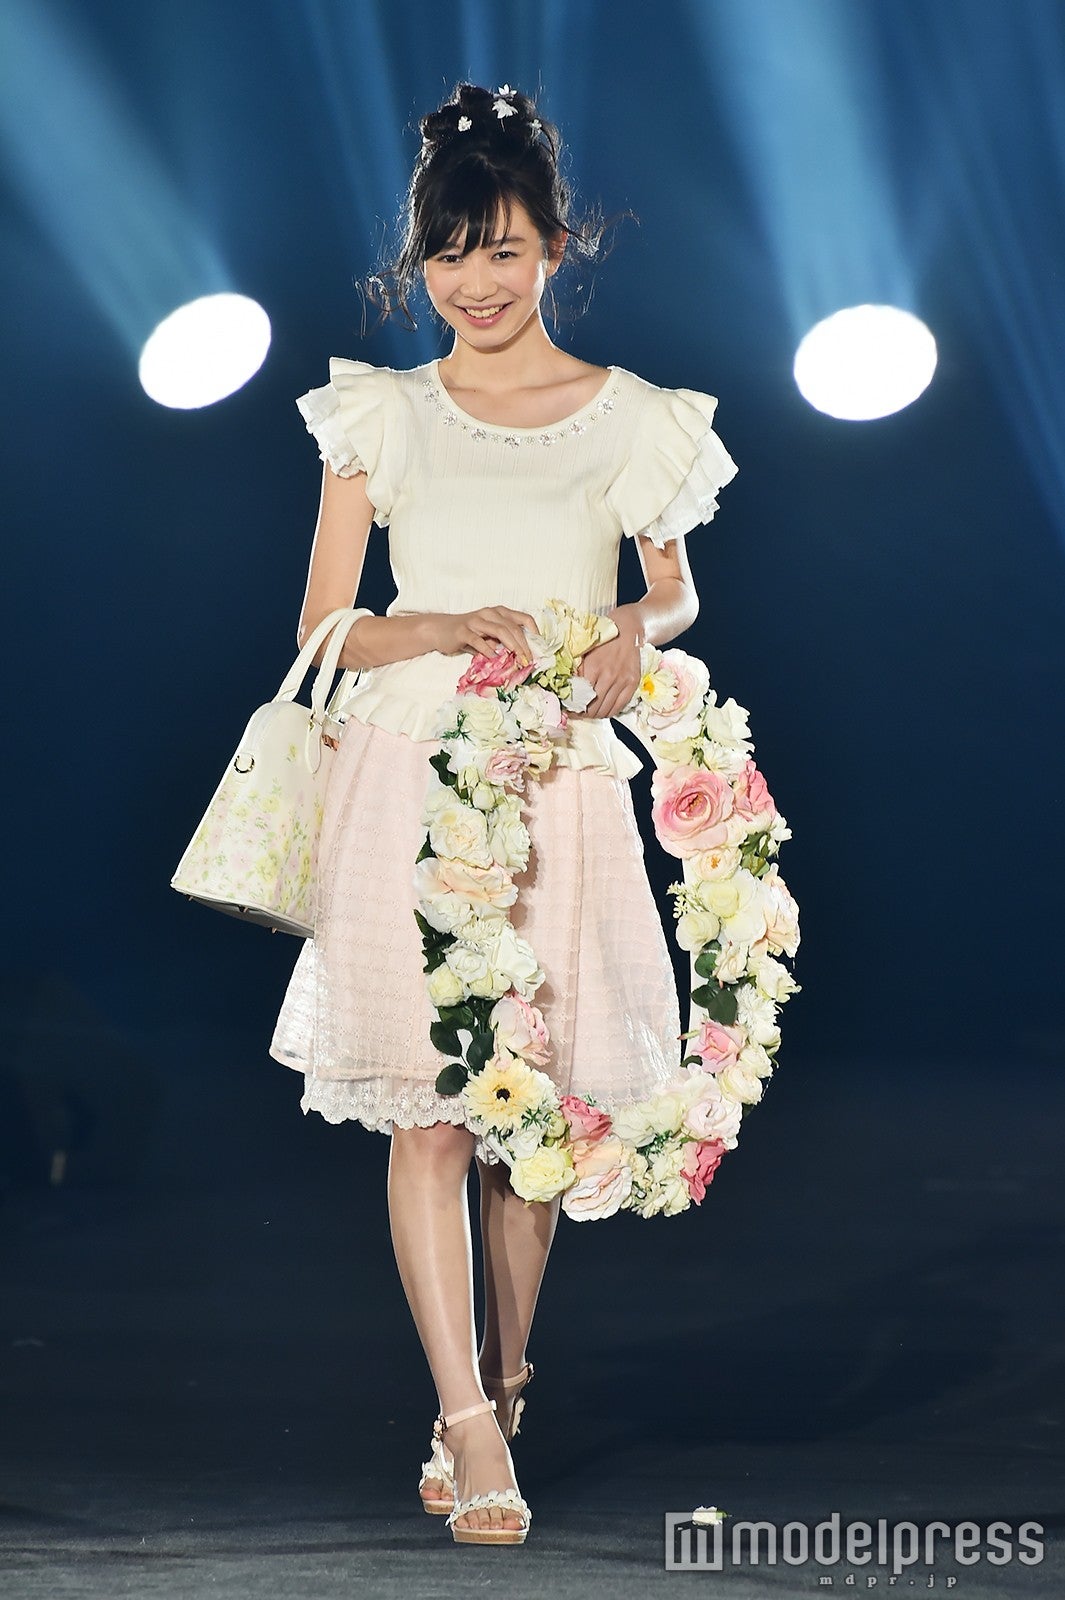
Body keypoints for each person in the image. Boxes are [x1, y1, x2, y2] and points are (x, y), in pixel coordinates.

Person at [268, 81, 738, 1545]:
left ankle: (508, 1375)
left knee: (523, 1110)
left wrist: (631, 634)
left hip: (558, 780)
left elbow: (673, 590)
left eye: (505, 250)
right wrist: (439, 625)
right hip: (410, 778)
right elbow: (326, 625)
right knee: (427, 1112)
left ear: (555, 249)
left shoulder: (634, 418)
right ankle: (467, 1424)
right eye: (449, 254)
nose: (476, 283)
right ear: (417, 262)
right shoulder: (383, 416)